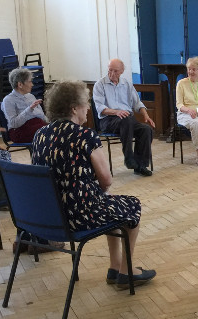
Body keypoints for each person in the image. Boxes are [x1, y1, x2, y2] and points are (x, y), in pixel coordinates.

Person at [32, 80, 156, 288]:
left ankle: (115, 267)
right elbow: (106, 180)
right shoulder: (84, 135)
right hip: (78, 217)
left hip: (49, 217)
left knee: (109, 203)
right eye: (85, 104)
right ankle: (126, 271)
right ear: (74, 108)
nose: (88, 108)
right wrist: (95, 189)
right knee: (131, 205)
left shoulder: (40, 135)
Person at [93, 59, 155, 176]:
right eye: (110, 70)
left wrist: (146, 116)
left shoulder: (126, 84)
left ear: (122, 71)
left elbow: (137, 103)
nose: (111, 74)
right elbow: (100, 108)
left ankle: (140, 166)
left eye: (115, 71)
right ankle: (128, 157)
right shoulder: (100, 85)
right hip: (108, 120)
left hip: (127, 119)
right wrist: (116, 112)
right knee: (126, 119)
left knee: (146, 130)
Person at [1, 68, 48, 143]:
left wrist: (52, 122)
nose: (32, 84)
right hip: (19, 131)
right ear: (20, 84)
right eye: (29, 82)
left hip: (37, 126)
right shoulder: (8, 100)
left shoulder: (31, 96)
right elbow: (14, 123)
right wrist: (29, 109)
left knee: (56, 128)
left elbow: (42, 116)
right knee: (47, 132)